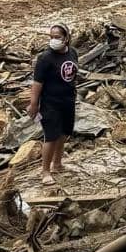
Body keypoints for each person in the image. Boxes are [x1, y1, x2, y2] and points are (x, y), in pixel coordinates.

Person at [29, 24, 78, 185]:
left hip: (68, 100)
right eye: (51, 37)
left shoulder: (72, 53)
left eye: (57, 37)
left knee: (63, 134)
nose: (54, 40)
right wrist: (34, 104)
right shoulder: (45, 58)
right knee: (51, 136)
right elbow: (37, 83)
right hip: (50, 102)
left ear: (66, 38)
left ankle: (57, 164)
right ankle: (45, 171)